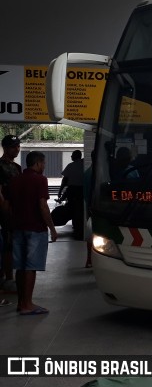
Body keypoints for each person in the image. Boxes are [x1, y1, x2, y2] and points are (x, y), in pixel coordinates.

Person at [7, 151, 57, 315]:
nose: (43, 166)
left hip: (17, 227)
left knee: (20, 267)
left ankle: (21, 303)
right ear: (38, 163)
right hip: (35, 228)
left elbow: (8, 204)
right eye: (43, 163)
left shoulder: (15, 180)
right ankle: (28, 304)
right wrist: (52, 228)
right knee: (31, 266)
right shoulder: (40, 180)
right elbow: (43, 205)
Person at [0, 134, 21, 296]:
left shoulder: (16, 167)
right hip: (5, 211)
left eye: (18, 146)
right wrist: (5, 210)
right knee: (7, 243)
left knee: (13, 243)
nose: (17, 149)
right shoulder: (0, 166)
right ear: (5, 148)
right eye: (13, 146)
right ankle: (8, 278)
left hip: (15, 209)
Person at [58, 150, 85, 240]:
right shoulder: (84, 165)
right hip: (83, 191)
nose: (71, 157)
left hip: (73, 191)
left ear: (75, 156)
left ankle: (76, 228)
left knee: (73, 209)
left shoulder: (70, 166)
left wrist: (60, 191)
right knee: (80, 210)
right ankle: (79, 228)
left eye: (72, 155)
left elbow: (65, 180)